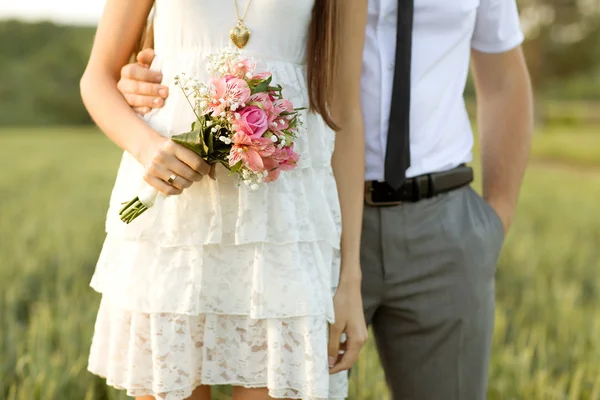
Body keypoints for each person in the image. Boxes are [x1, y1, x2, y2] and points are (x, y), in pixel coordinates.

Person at [119, 1, 534, 399]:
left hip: (439, 221)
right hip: (299, 219)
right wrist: (141, 74)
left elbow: (503, 80)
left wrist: (497, 216)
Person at [80, 1, 369, 399]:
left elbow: (345, 116)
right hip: (171, 226)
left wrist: (349, 279)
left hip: (281, 226)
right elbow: (97, 78)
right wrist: (147, 147)